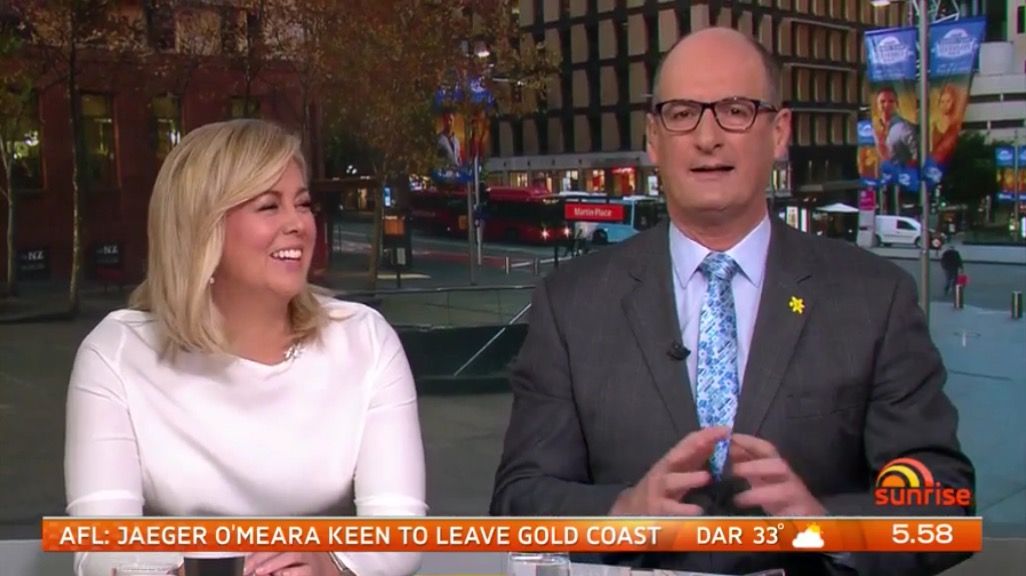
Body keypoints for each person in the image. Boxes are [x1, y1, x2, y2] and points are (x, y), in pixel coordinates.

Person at [491, 28, 973, 576]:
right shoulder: (572, 304)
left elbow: (947, 501)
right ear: (654, 138)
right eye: (681, 114)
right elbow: (517, 503)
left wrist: (827, 526)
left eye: (735, 111)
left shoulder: (873, 298)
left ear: (779, 131)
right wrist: (621, 515)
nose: (707, 137)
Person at [65, 120, 427, 576]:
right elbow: (98, 545)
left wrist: (329, 565)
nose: (298, 224)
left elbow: (400, 532)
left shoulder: (365, 341)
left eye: (302, 204)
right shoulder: (116, 354)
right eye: (269, 206)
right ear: (202, 228)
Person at [874, 86, 918, 168]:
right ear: (877, 105)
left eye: (891, 101)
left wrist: (905, 171)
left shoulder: (905, 128)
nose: (886, 105)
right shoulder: (873, 129)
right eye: (882, 101)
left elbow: (917, 154)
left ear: (897, 104)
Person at [930, 85, 962, 167]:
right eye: (942, 101)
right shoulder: (933, 124)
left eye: (948, 101)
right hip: (935, 164)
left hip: (951, 164)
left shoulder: (955, 124)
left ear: (953, 102)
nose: (945, 105)